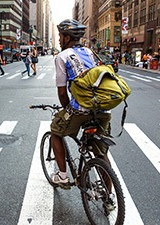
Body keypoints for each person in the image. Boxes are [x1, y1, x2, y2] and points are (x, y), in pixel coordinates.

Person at [50, 19, 111, 188]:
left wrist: (67, 109)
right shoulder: (91, 53)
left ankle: (62, 176)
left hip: (80, 109)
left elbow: (62, 92)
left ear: (67, 37)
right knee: (100, 152)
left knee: (55, 131)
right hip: (102, 108)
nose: (60, 40)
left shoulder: (62, 56)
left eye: (61, 36)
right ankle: (110, 196)